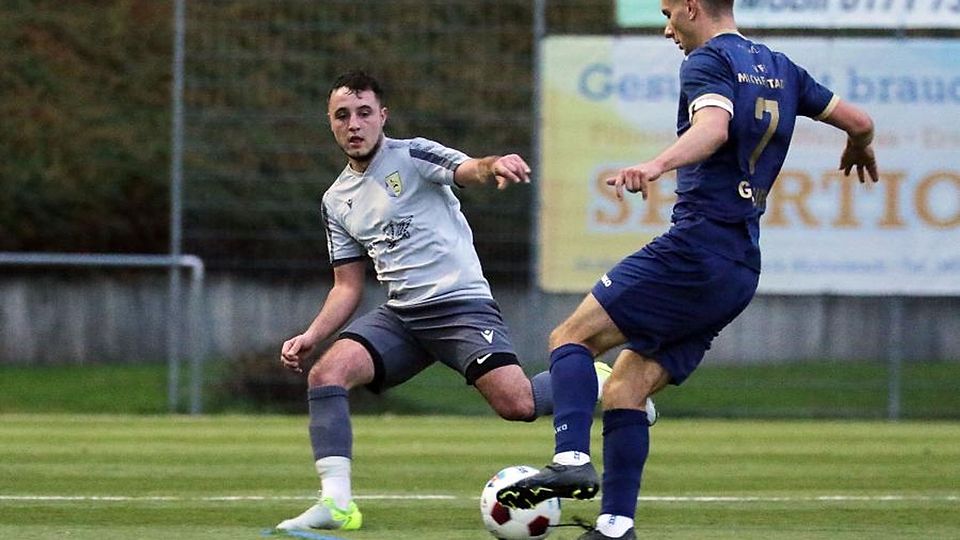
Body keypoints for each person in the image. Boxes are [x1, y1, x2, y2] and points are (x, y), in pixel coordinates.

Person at [495, 0, 879, 538]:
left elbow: (714, 129)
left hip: (696, 247)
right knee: (626, 388)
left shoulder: (706, 61)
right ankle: (614, 526)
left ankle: (571, 457)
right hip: (741, 266)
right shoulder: (781, 68)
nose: (666, 26)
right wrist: (859, 145)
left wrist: (655, 164)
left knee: (570, 339)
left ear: (694, 8)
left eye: (670, 11)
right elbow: (860, 121)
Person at [275, 70, 655, 532]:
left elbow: (468, 168)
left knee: (517, 405)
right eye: (342, 116)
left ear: (382, 116)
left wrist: (493, 165)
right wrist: (312, 335)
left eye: (364, 113)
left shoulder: (412, 155)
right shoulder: (335, 200)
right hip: (402, 317)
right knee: (327, 373)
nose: (354, 124)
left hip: (459, 307)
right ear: (331, 123)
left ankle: (595, 380)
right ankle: (337, 505)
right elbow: (347, 286)